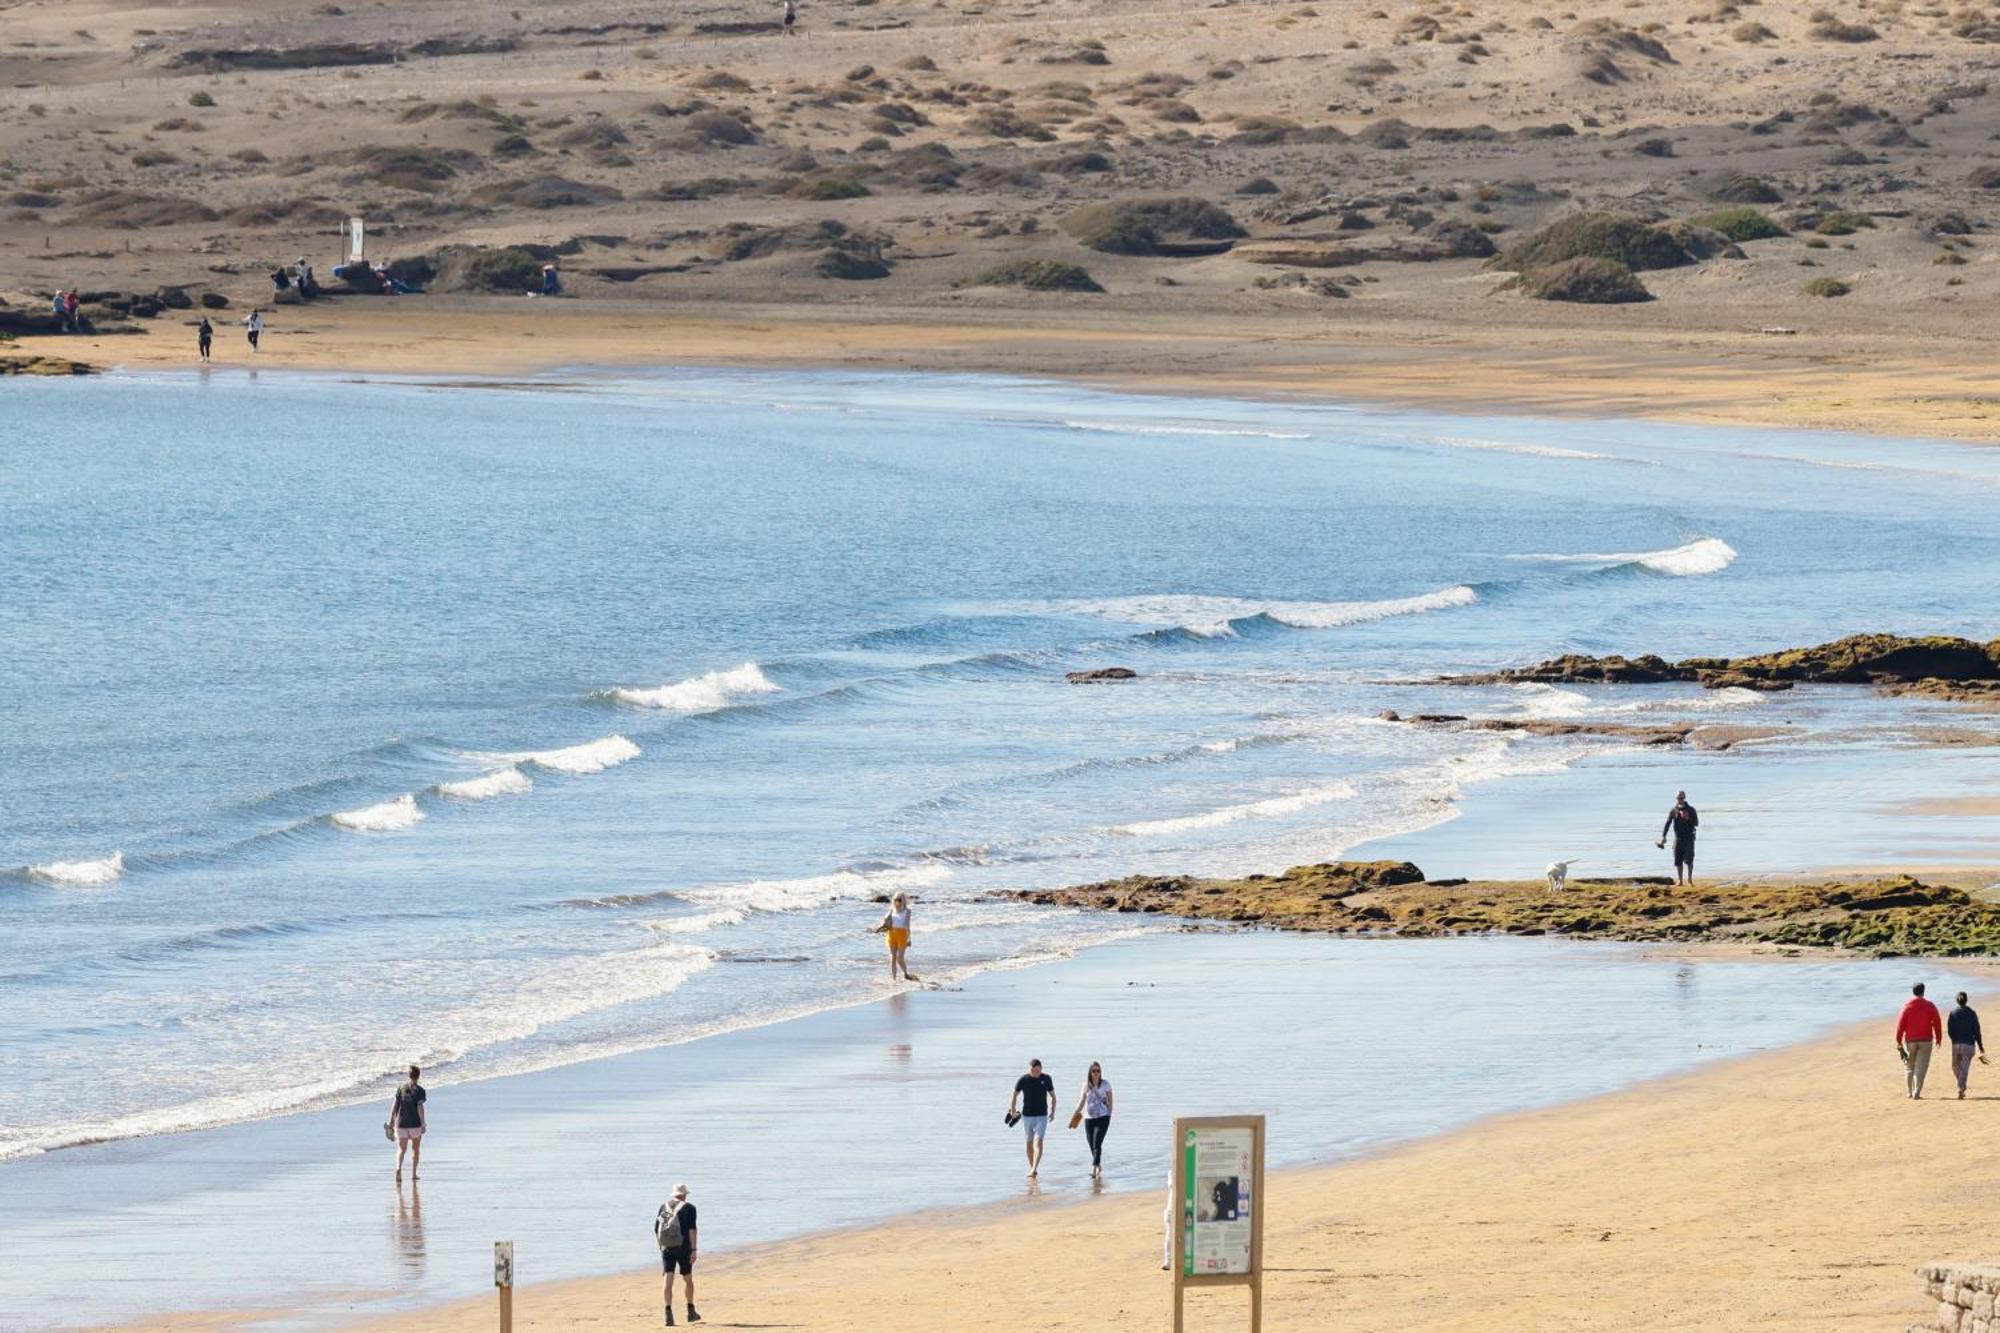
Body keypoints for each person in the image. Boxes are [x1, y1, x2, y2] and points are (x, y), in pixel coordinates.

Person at [654, 1182, 700, 1325]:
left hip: (666, 1247)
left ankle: (668, 1312)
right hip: (684, 1247)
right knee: (687, 1278)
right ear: (685, 1195)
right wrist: (693, 1250)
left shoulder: (665, 1207)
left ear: (674, 1194)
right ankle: (690, 1311)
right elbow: (692, 1229)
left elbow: (657, 1228)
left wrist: (662, 1247)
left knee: (668, 1277)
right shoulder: (689, 1208)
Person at [1009, 1058, 1056, 1179]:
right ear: (1029, 1069)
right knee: (1029, 1142)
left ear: (1041, 1069)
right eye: (1033, 1071)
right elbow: (1014, 1094)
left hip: (1042, 1115)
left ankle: (1034, 1168)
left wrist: (1053, 1111)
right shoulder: (1023, 1080)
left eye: (1038, 1071)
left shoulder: (1046, 1079)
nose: (1035, 1073)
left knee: (1038, 1141)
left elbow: (1053, 1096)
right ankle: (1032, 1168)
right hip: (1027, 1116)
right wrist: (1012, 1109)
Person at [1897, 982, 1944, 1099]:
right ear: (1923, 991)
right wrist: (1939, 1037)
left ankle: (1909, 1092)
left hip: (1910, 1041)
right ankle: (1916, 1092)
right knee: (1921, 1067)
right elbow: (1937, 1022)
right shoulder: (1930, 1005)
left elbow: (1900, 1025)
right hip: (1926, 1040)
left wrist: (1898, 1040)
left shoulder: (1907, 1006)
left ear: (1913, 992)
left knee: (1909, 1066)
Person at [1071, 1061, 1113, 1180]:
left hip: (1103, 1117)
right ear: (1090, 1072)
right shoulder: (1086, 1085)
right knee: (1091, 1143)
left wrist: (1110, 1114)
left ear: (1101, 1072)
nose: (1096, 1073)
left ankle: (1094, 1168)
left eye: (1098, 1071)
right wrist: (1076, 1111)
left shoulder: (1105, 1084)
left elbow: (1111, 1100)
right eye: (1094, 1071)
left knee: (1097, 1142)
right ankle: (1098, 1164)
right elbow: (1082, 1100)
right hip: (1088, 1118)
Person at [389, 1064, 426, 1180]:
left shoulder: (401, 1089)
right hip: (415, 1125)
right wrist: (423, 1123)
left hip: (401, 1124)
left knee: (401, 1149)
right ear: (418, 1076)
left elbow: (395, 1105)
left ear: (408, 1075)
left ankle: (398, 1167)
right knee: (415, 1149)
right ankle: (414, 1174)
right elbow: (420, 1107)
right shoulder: (420, 1091)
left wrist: (391, 1120)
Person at [872, 893, 918, 982]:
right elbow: (885, 922)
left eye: (900, 900)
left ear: (903, 901)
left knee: (900, 958)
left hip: (902, 935)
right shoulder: (891, 910)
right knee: (892, 957)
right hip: (891, 934)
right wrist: (878, 929)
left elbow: (907, 925)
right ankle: (894, 980)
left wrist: (909, 939)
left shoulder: (907, 911)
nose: (898, 902)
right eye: (896, 900)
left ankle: (905, 973)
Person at [1657, 790, 1699, 885]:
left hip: (1689, 839)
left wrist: (1688, 819)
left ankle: (1689, 879)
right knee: (1678, 860)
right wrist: (1663, 836)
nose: (1680, 799)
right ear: (1676, 798)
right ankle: (1680, 881)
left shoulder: (1691, 809)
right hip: (1678, 839)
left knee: (1689, 860)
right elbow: (1667, 824)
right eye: (1679, 798)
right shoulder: (1673, 810)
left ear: (1685, 798)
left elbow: (1696, 823)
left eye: (1682, 798)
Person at [1949, 991, 1986, 1100]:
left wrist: (1954, 1040)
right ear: (1966, 1000)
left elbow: (1950, 1030)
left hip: (1956, 1044)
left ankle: (1961, 1088)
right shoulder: (1972, 1013)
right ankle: (1961, 1087)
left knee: (1955, 1066)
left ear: (1957, 1000)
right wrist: (1980, 1045)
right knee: (1963, 1068)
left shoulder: (1953, 1013)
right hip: (1969, 1045)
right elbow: (1977, 1031)